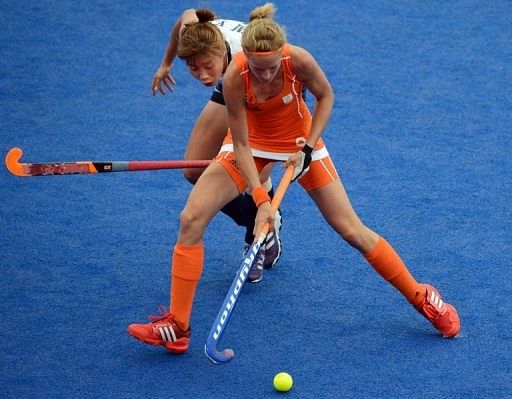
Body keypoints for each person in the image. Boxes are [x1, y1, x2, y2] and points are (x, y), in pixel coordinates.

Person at [128, 3, 460, 354]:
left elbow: (326, 96)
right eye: (258, 69)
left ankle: (422, 296)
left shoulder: (297, 59)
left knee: (352, 230)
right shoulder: (234, 76)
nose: (266, 76)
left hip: (302, 144)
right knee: (191, 218)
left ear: (281, 56)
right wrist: (260, 201)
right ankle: (178, 327)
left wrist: (306, 149)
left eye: (272, 68)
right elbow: (240, 143)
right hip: (253, 145)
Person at [153, 8, 282, 282]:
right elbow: (187, 14)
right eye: (193, 67)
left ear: (221, 52)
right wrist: (167, 63)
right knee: (193, 170)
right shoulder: (196, 33)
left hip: (267, 90)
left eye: (207, 65)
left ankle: (255, 241)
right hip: (231, 83)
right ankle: (262, 220)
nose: (201, 75)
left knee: (254, 173)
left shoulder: (249, 61)